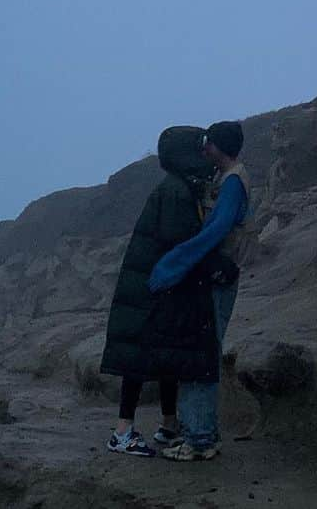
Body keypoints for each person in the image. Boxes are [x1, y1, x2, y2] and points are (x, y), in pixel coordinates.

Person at [99, 126, 222, 456]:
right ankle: (122, 433)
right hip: (151, 290)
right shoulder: (176, 192)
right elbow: (180, 241)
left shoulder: (178, 187)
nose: (205, 154)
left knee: (168, 355)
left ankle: (169, 426)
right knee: (137, 360)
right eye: (200, 148)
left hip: (158, 287)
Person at [148, 120, 250, 461]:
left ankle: (201, 440)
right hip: (213, 276)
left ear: (219, 147)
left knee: (202, 355)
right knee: (201, 353)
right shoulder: (226, 179)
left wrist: (173, 264)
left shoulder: (233, 182)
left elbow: (215, 231)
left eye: (208, 144)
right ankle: (201, 433)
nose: (204, 150)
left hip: (217, 278)